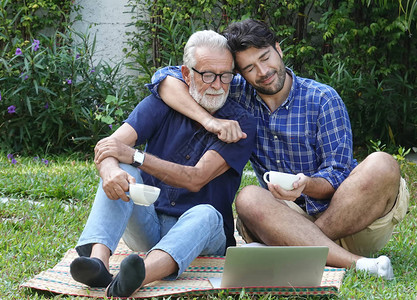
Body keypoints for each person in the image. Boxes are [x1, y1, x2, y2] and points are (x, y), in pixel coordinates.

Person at [149, 19, 410, 280]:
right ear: (239, 73)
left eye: (265, 58)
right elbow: (163, 78)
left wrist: (306, 185)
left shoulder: (322, 98)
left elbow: (338, 175)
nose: (262, 71)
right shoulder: (235, 92)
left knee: (382, 163)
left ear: (279, 49)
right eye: (249, 68)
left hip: (350, 216)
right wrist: (209, 121)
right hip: (284, 217)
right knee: (248, 197)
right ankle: (358, 264)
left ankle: (296, 249)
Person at [69, 30, 256, 297]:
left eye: (226, 75)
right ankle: (98, 264)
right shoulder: (161, 103)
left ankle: (139, 275)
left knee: (207, 213)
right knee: (122, 170)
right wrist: (110, 170)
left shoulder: (240, 124)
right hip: (151, 223)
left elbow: (195, 178)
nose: (218, 84)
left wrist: (135, 156)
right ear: (186, 73)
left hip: (203, 234)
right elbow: (109, 146)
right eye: (208, 75)